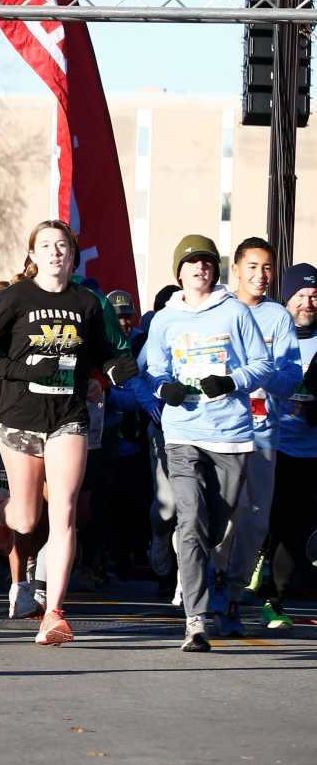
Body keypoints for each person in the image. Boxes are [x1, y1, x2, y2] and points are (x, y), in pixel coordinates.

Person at [0, 220, 139, 646]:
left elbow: (109, 352)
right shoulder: (14, 298)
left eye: (62, 245)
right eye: (46, 245)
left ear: (73, 254)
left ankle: (55, 612)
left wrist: (111, 373)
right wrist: (23, 370)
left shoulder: (89, 301)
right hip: (20, 417)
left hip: (69, 417)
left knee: (64, 512)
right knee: (26, 519)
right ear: (32, 255)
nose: (55, 252)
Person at [142, 234, 276, 652]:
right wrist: (163, 389)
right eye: (192, 262)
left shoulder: (235, 312)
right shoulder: (165, 319)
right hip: (182, 432)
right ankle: (195, 620)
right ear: (179, 272)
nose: (200, 268)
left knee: (214, 528)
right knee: (190, 521)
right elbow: (154, 369)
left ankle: (204, 582)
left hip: (230, 434)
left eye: (206, 262)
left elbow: (264, 365)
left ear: (215, 270)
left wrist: (232, 381)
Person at [216, 238, 301, 636]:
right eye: (252, 267)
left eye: (267, 268)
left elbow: (290, 376)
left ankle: (233, 594)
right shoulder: (219, 309)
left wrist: (264, 377)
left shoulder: (278, 317)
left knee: (254, 521)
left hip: (263, 433)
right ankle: (210, 589)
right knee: (222, 520)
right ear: (236, 269)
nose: (260, 275)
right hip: (220, 432)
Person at [262, 262, 317, 629]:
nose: (307, 303)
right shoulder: (274, 333)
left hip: (312, 447)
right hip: (274, 442)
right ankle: (266, 583)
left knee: (300, 522)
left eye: (314, 296)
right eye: (300, 295)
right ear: (287, 298)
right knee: (273, 519)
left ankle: (283, 592)